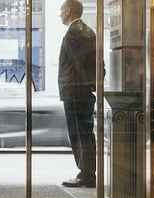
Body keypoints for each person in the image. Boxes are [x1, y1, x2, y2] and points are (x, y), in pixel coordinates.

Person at [58, 0, 97, 188]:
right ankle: (87, 173)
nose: (60, 14)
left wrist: (82, 86)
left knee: (79, 133)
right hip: (81, 90)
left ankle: (86, 174)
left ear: (69, 11)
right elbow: (98, 64)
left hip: (75, 91)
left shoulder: (75, 33)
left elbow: (79, 64)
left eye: (61, 10)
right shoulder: (87, 31)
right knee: (85, 132)